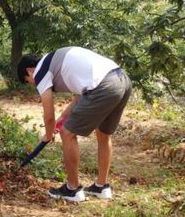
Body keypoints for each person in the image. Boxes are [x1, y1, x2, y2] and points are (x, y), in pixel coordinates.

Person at [17, 47, 131, 202]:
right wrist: (64, 116)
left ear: (30, 71)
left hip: (103, 86)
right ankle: (101, 187)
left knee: (67, 133)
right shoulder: (57, 61)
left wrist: (48, 135)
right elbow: (81, 93)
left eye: (28, 81)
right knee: (103, 133)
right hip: (122, 80)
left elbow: (48, 114)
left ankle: (72, 189)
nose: (32, 84)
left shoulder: (41, 71)